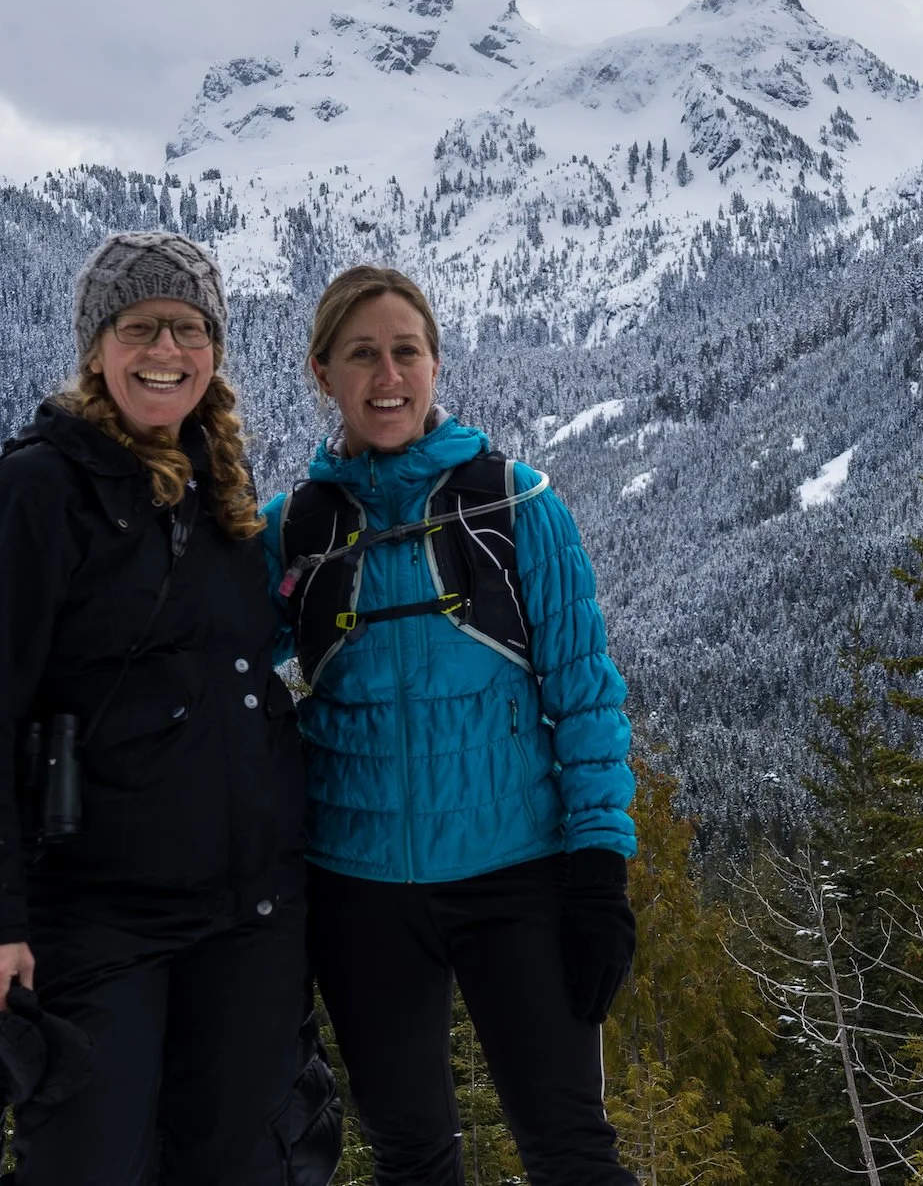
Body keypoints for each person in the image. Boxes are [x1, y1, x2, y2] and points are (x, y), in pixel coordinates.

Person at [0, 230, 313, 1183]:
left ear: (215, 350)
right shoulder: (37, 490)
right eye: (139, 325)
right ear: (96, 347)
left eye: (188, 327)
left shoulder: (220, 495)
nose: (166, 350)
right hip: (101, 919)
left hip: (248, 920)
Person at [263, 264, 640, 1186]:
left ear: (436, 367)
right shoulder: (293, 532)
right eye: (362, 355)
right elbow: (205, 665)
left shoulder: (516, 508)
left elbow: (585, 696)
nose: (386, 375)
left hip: (517, 874)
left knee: (571, 1151)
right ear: (323, 373)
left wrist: (598, 869)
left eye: (406, 352)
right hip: (357, 892)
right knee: (411, 1155)